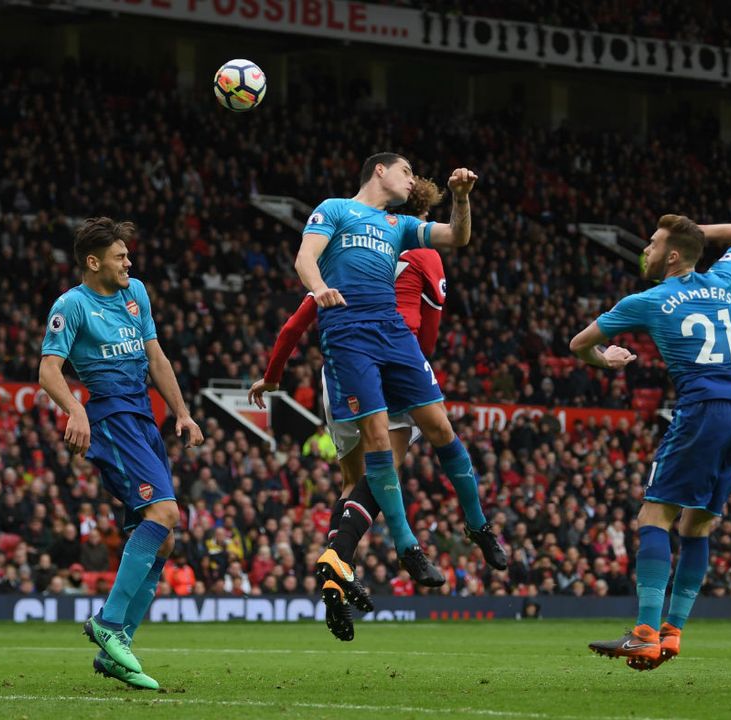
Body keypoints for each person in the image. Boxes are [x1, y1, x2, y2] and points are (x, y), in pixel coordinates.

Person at [290, 153, 507, 640]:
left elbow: (458, 237)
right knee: (379, 443)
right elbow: (304, 257)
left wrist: (462, 198)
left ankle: (479, 526)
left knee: (440, 427)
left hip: (392, 333)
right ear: (380, 172)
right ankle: (408, 546)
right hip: (348, 334)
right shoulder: (336, 209)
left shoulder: (400, 225)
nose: (413, 179)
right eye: (407, 171)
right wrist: (321, 287)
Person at [251, 177, 456, 639]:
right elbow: (428, 332)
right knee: (385, 470)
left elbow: (294, 324)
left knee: (352, 481)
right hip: (391, 366)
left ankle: (337, 580)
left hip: (338, 373)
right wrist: (416, 377)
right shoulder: (423, 251)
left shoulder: (346, 250)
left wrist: (273, 375)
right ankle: (339, 554)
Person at [570, 217, 731, 671]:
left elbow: (579, 344)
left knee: (654, 515)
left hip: (701, 412)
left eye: (654, 243)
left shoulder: (648, 300)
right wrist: (698, 229)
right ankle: (672, 633)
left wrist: (606, 362)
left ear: (672, 255)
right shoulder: (723, 280)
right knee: (696, 528)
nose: (648, 249)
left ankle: (643, 634)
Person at [39, 217, 204, 690]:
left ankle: (118, 647)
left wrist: (183, 414)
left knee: (164, 539)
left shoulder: (138, 295)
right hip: (111, 418)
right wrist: (77, 410)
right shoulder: (71, 305)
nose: (128, 261)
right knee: (166, 512)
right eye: (119, 256)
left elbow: (157, 358)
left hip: (144, 420)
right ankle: (109, 624)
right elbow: (49, 371)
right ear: (93, 263)